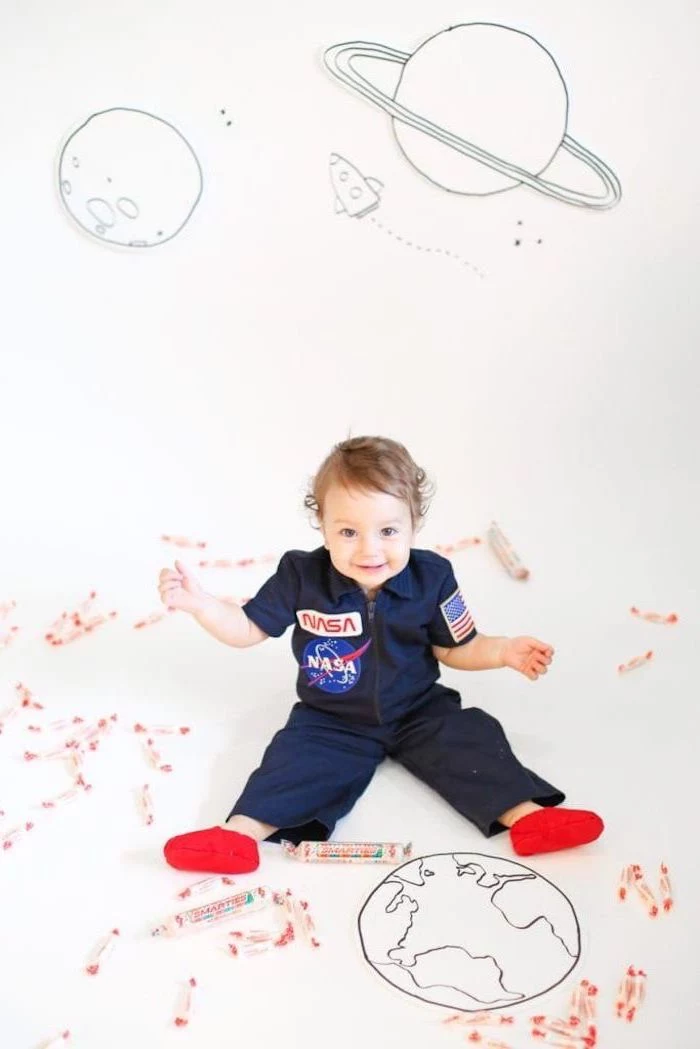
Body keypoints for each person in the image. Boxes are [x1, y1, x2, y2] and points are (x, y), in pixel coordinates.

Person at [158, 436, 603, 875]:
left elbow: (456, 647)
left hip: (417, 707)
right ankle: (238, 835)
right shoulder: (301, 575)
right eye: (348, 532)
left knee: (472, 740)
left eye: (388, 531)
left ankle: (528, 817)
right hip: (330, 717)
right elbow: (247, 628)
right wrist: (203, 606)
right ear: (323, 526)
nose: (369, 549)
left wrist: (503, 650)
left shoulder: (433, 576)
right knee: (292, 764)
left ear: (414, 524)